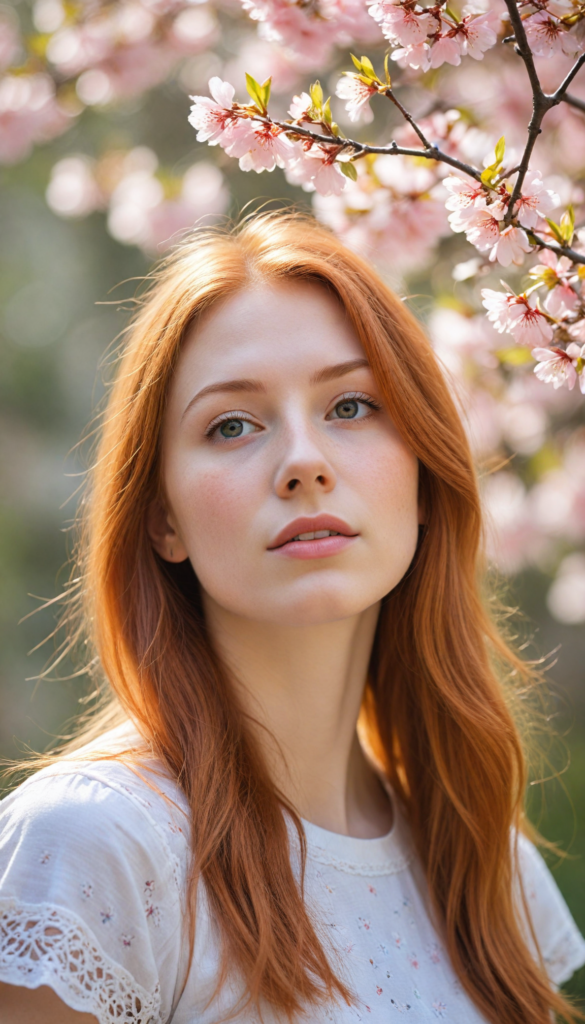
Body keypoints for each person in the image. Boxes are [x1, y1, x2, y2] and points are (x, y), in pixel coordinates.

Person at [0, 211, 584, 1024]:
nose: (304, 462)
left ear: (422, 476)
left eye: (350, 406)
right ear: (162, 519)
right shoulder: (96, 850)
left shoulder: (482, 858)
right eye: (231, 425)